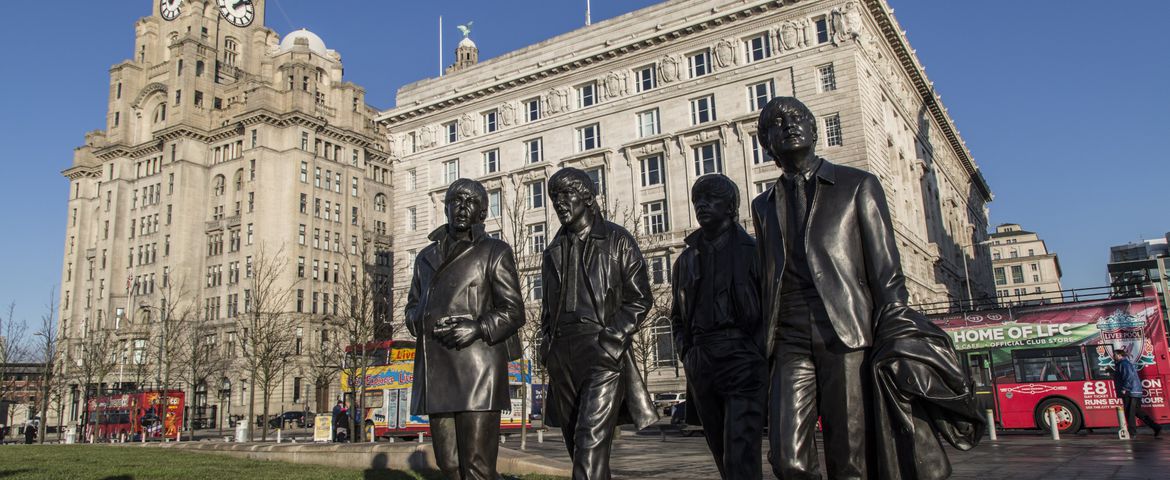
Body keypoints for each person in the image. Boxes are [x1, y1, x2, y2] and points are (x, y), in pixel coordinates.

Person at [752, 97, 979, 479]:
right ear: (768, 144)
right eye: (776, 122)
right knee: (787, 458)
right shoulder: (763, 205)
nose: (789, 124)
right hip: (788, 337)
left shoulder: (857, 185)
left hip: (846, 334)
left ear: (814, 128)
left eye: (798, 117)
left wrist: (893, 332)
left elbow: (886, 272)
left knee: (850, 458)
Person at [538, 167, 659, 480]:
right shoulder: (552, 250)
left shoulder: (617, 240)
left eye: (566, 194)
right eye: (554, 196)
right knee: (579, 449)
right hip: (562, 354)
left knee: (588, 446)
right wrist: (546, 347)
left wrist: (613, 337)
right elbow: (547, 311)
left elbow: (640, 298)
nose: (558, 203)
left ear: (587, 196)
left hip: (601, 350)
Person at [405, 178, 525, 480]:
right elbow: (412, 306)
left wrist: (477, 326)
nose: (462, 207)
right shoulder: (425, 257)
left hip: (478, 370)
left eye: (471, 201)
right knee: (449, 465)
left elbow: (514, 311)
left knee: (477, 467)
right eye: (456, 200)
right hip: (437, 370)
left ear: (482, 213)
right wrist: (421, 318)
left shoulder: (494, 251)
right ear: (445, 207)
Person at [671, 174, 767, 480]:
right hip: (702, 359)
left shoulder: (754, 251)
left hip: (742, 357)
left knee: (740, 451)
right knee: (722, 454)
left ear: (730, 206)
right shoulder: (685, 260)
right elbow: (677, 316)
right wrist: (686, 352)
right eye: (698, 199)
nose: (702, 204)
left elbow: (771, 308)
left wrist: (757, 353)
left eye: (711, 198)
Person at [1112, 348, 1162, 437]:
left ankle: (1132, 433)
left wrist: (1125, 388)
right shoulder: (1123, 363)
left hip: (1130, 392)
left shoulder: (1123, 364)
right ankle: (1156, 427)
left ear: (1119, 355)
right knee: (1137, 412)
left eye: (1114, 355)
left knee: (1129, 413)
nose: (1113, 357)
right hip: (1134, 391)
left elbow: (1129, 377)